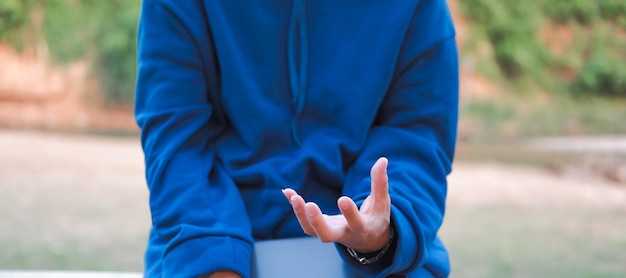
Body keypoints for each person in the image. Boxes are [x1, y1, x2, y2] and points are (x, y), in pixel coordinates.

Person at [134, 0, 458, 277]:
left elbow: (418, 136)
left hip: (385, 256)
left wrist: (382, 232)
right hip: (205, 243)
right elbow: (176, 142)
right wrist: (213, 259)